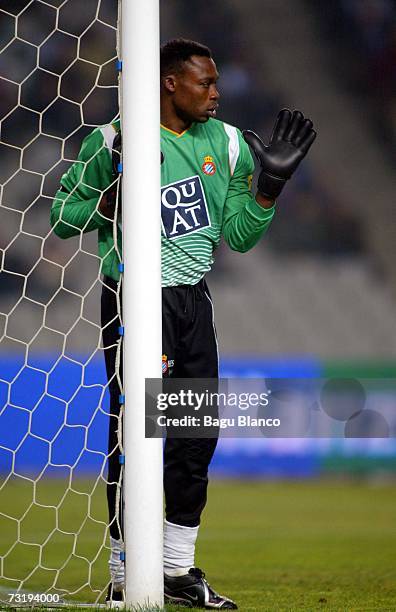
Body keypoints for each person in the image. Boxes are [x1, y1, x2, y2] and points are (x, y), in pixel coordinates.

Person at [50, 38, 316, 609]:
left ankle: (176, 570)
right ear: (171, 83)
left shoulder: (225, 143)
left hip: (191, 303)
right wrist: (109, 201)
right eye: (206, 83)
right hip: (132, 300)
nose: (217, 94)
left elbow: (240, 236)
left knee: (195, 437)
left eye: (217, 83)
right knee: (135, 434)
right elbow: (62, 216)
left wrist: (268, 190)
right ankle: (124, 572)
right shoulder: (115, 139)